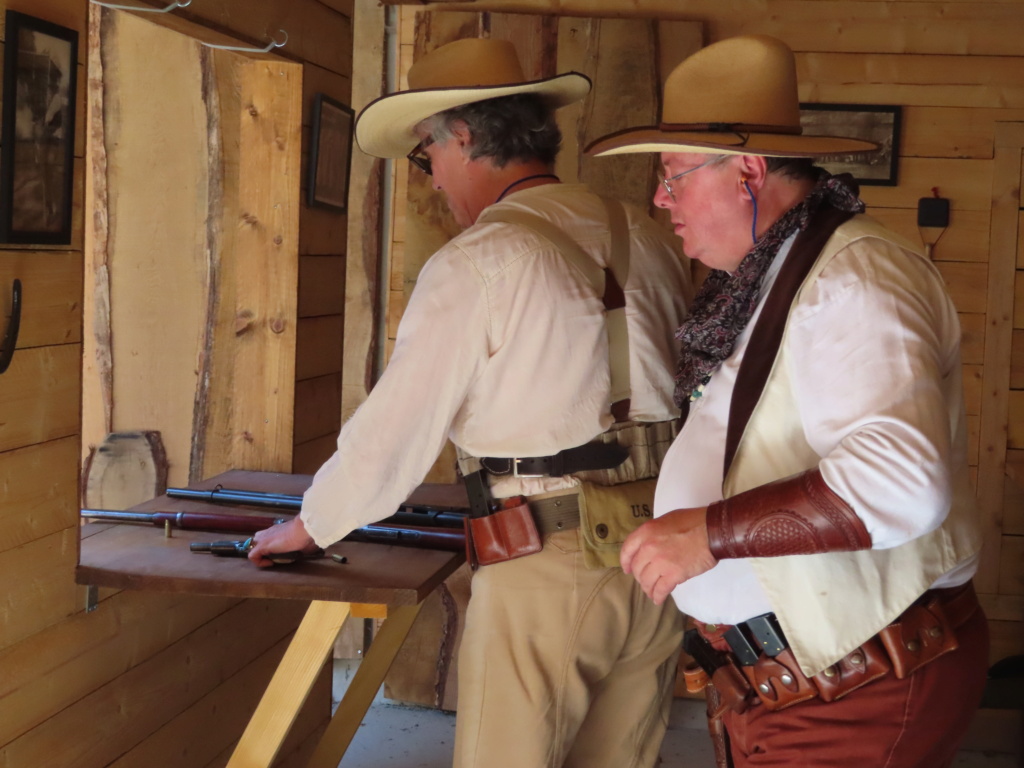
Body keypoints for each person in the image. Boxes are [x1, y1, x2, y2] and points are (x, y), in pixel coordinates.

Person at [248, 38, 693, 768]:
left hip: (546, 568)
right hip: (658, 554)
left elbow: (397, 428)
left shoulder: (477, 262)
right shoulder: (647, 239)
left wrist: (311, 523)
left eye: (427, 155)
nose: (430, 181)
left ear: (462, 135)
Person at [586, 34, 987, 768]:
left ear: (746, 171)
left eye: (673, 176)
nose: (658, 197)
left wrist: (708, 533)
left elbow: (901, 482)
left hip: (855, 696)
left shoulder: (852, 279)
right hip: (806, 685)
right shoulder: (776, 277)